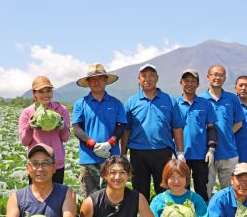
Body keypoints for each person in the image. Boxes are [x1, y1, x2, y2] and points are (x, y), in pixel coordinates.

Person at [121, 64, 185, 201]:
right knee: (139, 190)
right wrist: (123, 153)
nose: (147, 79)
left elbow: (177, 127)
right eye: (144, 76)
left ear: (157, 78)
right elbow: (126, 130)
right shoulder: (131, 102)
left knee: (164, 188)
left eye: (151, 75)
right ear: (139, 79)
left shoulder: (169, 100)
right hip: (138, 152)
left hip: (163, 152)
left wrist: (180, 153)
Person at [72, 63, 127, 197]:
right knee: (90, 197)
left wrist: (110, 144)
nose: (97, 82)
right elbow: (77, 128)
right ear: (88, 82)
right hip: (88, 158)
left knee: (113, 195)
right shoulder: (81, 103)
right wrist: (92, 144)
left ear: (106, 81)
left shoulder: (116, 103)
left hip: (112, 158)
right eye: (93, 79)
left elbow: (121, 126)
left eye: (100, 78)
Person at [199, 65, 245, 198]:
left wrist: (227, 134)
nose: (217, 77)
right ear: (208, 77)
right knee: (205, 191)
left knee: (231, 192)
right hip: (206, 154)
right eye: (214, 74)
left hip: (229, 153)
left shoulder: (232, 99)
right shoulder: (200, 99)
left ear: (225, 78)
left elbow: (239, 122)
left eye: (221, 75)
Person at [19, 76, 71, 184]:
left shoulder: (61, 110)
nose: (45, 95)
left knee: (56, 198)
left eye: (48, 91)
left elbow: (65, 138)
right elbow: (24, 141)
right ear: (34, 94)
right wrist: (30, 127)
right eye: (41, 92)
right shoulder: (27, 113)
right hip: (37, 164)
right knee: (36, 199)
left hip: (56, 163)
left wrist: (62, 127)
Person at [177, 69, 218, 202]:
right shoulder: (175, 104)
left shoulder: (205, 104)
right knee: (182, 187)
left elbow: (211, 128)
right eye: (186, 81)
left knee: (202, 188)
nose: (189, 84)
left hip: (201, 155)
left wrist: (211, 149)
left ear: (198, 84)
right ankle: (184, 216)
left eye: (193, 81)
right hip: (181, 155)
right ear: (181, 83)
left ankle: (203, 216)